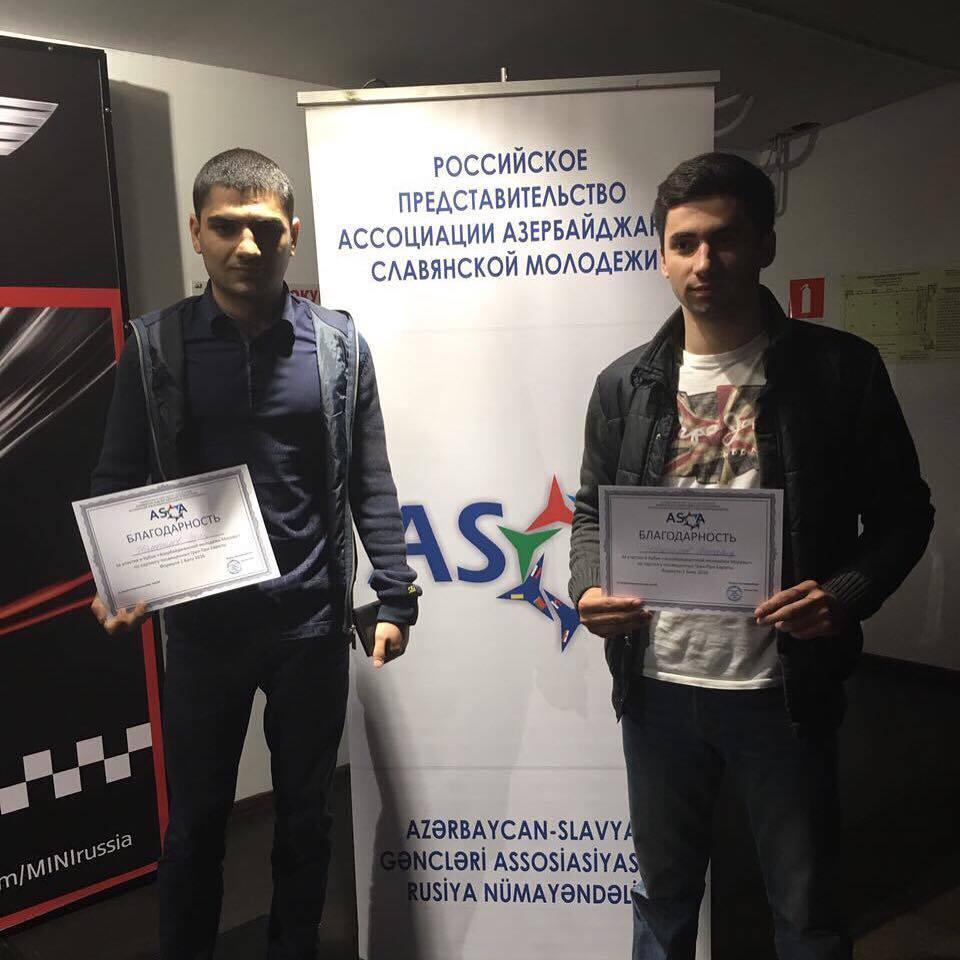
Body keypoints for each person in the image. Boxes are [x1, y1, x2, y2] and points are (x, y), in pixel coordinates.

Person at [568, 152, 933, 960]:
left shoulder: (839, 371)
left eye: (725, 239)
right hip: (657, 688)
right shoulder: (624, 385)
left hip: (783, 690)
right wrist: (588, 587)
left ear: (766, 243)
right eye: (684, 243)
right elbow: (590, 511)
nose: (704, 262)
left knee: (807, 912)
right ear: (662, 255)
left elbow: (906, 516)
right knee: (663, 900)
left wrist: (846, 592)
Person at [90, 147, 420, 960]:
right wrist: (115, 579)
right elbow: (117, 477)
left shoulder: (339, 347)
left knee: (306, 819)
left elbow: (371, 478)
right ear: (196, 231)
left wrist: (394, 593)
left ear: (292, 234)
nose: (247, 245)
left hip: (311, 626)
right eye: (227, 226)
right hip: (204, 631)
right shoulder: (156, 346)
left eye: (265, 229)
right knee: (196, 826)